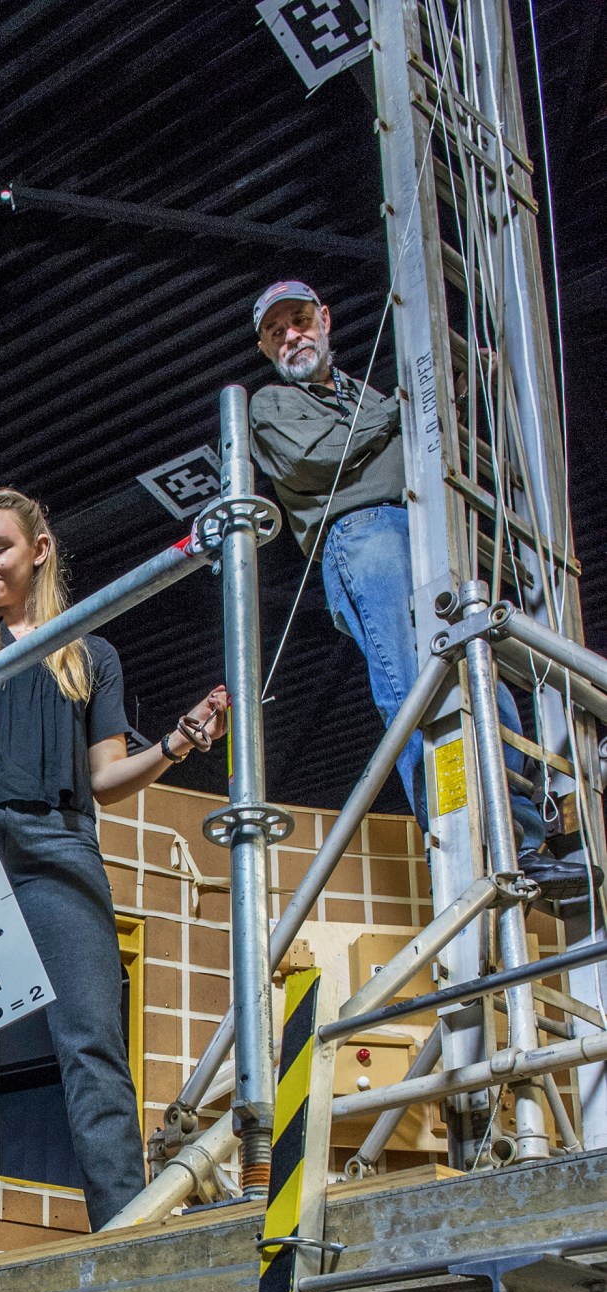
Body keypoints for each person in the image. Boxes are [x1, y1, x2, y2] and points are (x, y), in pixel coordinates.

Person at [0, 486, 228, 1256]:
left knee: (90, 1042)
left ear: (38, 549)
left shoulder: (89, 655)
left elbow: (106, 777)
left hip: (57, 844)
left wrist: (177, 745)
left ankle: (123, 1232)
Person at [248, 279, 586, 898]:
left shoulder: (367, 397)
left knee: (487, 687)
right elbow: (313, 461)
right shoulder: (271, 404)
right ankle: (457, 845)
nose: (291, 336)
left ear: (324, 319)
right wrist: (406, 412)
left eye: (299, 321)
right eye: (277, 332)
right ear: (267, 348)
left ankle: (525, 843)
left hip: (427, 533)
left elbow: (407, 455)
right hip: (365, 538)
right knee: (415, 690)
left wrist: (424, 408)